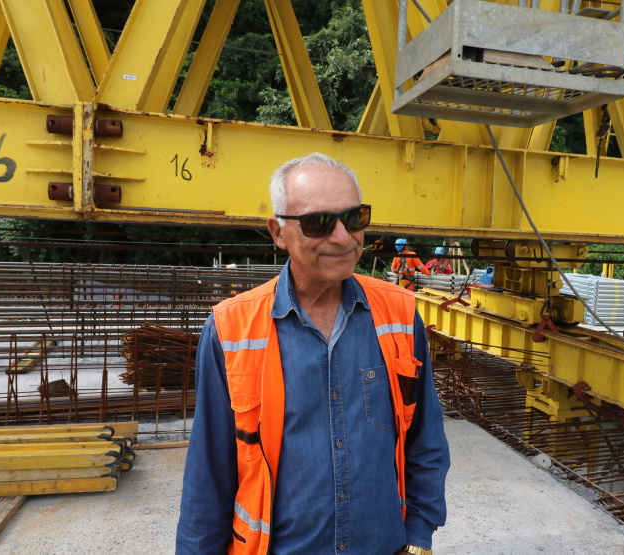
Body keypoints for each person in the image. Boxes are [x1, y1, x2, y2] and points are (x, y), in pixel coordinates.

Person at [177, 153, 450, 555]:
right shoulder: (230, 330)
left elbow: (425, 439)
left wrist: (419, 538)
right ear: (278, 232)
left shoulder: (399, 315)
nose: (342, 237)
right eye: (319, 222)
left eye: (354, 218)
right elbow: (208, 476)